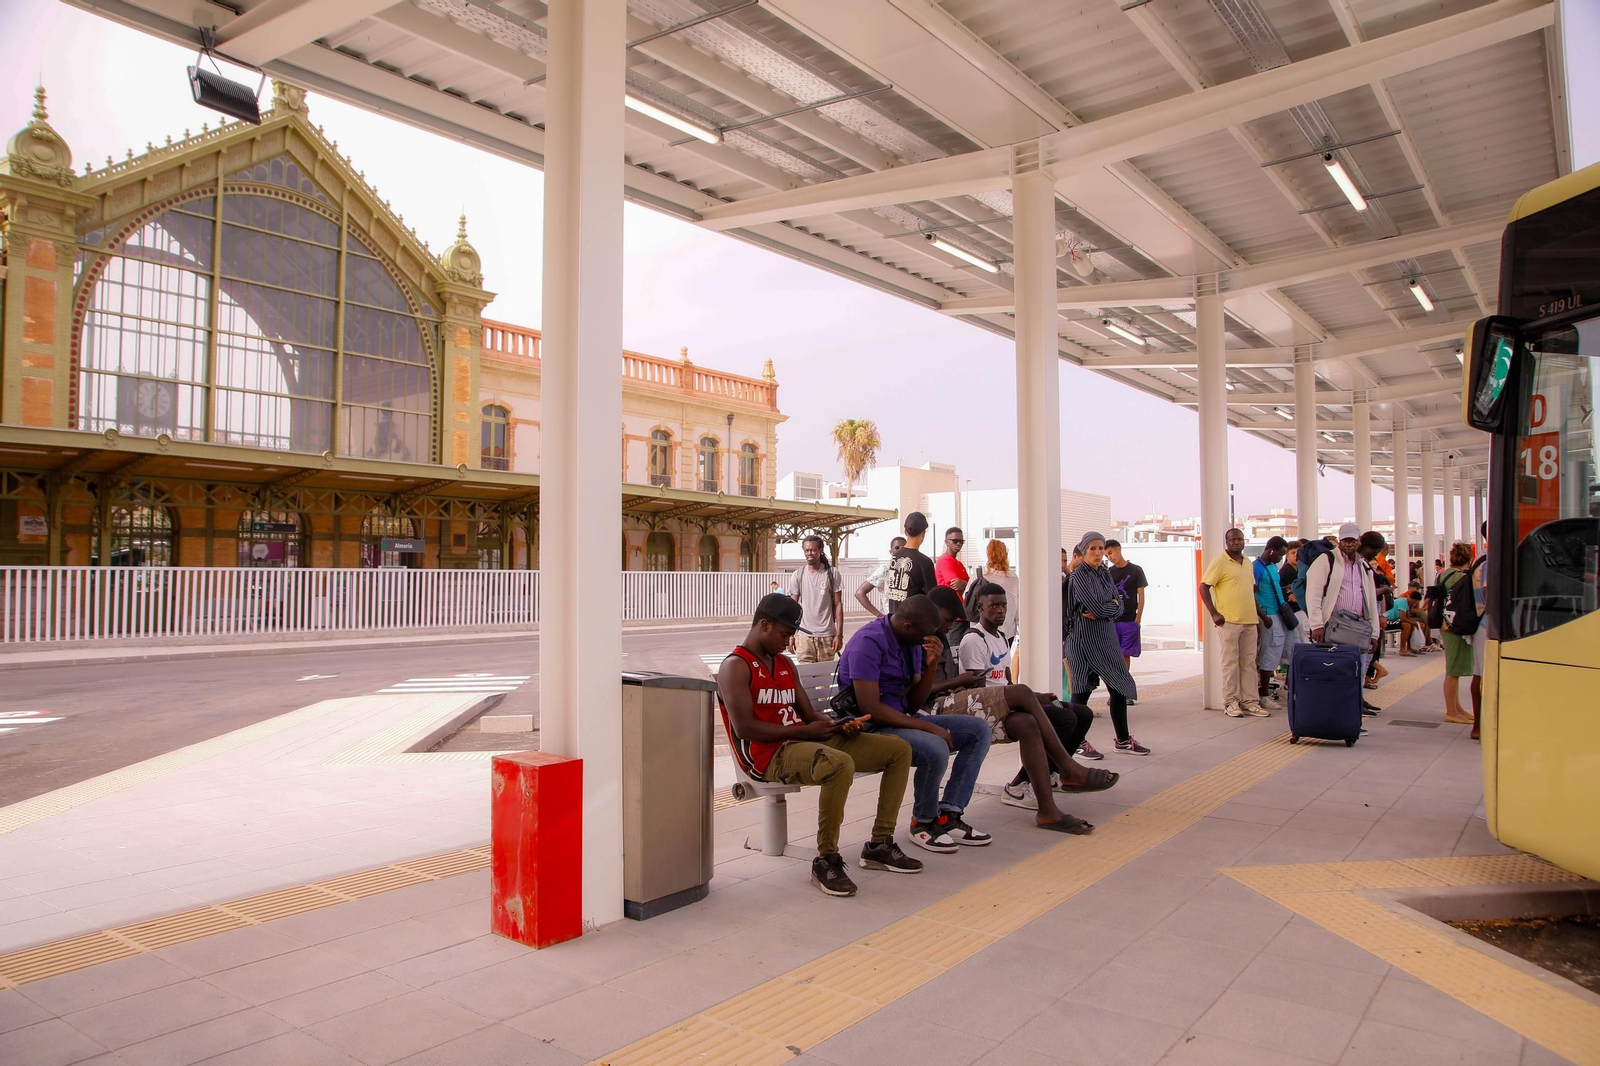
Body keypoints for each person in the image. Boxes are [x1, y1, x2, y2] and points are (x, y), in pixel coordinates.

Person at [716, 593, 921, 897]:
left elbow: (808, 714)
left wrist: (837, 725)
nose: (788, 643)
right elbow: (745, 728)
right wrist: (806, 732)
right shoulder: (736, 666)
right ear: (764, 625)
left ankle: (879, 844)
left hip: (802, 741)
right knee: (839, 765)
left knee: (898, 750)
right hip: (769, 755)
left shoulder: (784, 664)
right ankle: (826, 860)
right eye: (785, 634)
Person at [924, 587, 1114, 834]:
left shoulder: (945, 639)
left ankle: (1047, 810)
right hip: (934, 712)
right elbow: (917, 691)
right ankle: (1069, 769)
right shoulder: (930, 640)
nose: (951, 627)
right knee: (1031, 698)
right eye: (948, 620)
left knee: (1027, 722)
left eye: (1004, 605)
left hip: (960, 701)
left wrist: (956, 683)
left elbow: (999, 681)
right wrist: (958, 682)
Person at [837, 594, 994, 853]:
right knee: (934, 747)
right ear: (908, 626)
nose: (927, 640)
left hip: (901, 719)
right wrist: (930, 727)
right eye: (923, 634)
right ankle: (923, 822)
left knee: (978, 730)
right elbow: (871, 710)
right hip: (869, 727)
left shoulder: (910, 641)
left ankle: (949, 815)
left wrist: (930, 665)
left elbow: (911, 704)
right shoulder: (869, 642)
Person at [1066, 532, 1148, 753]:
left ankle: (1123, 739)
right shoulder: (1078, 576)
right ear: (1083, 550)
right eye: (1092, 548)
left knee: (1119, 687)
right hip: (1083, 642)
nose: (1098, 552)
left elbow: (1118, 605)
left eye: (1101, 548)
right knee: (1082, 691)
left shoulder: (1103, 572)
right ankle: (1076, 742)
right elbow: (1101, 607)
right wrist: (1109, 607)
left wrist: (1109, 607)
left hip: (1106, 638)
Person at [1305, 523, 1382, 717]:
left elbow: (1370, 598)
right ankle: (1333, 711)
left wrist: (1374, 632)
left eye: (1353, 541)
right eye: (1345, 540)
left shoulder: (1363, 565)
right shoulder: (1326, 560)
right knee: (1334, 669)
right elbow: (1313, 593)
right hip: (1333, 626)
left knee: (1358, 668)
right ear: (1340, 541)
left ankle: (1353, 707)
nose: (1349, 544)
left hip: (1358, 627)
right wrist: (1317, 624)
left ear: (1359, 542)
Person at [1200, 527, 1269, 718]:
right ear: (1227, 542)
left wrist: (1260, 617)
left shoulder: (1247, 562)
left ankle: (1250, 702)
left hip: (1249, 621)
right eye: (1233, 540)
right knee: (1230, 663)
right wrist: (1214, 613)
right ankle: (1231, 702)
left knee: (1248, 663)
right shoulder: (1220, 562)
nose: (1237, 542)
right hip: (1229, 621)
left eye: (1239, 539)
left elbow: (1249, 592)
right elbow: (1204, 587)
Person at [1436, 542, 1477, 725]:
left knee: (1454, 669)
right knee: (1453, 670)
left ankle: (1457, 708)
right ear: (1469, 558)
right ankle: (1451, 711)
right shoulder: (1462, 577)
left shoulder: (1444, 574)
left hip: (1446, 623)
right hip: (1455, 626)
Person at [786, 535, 845, 663]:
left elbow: (838, 605)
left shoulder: (832, 573)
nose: (809, 553)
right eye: (806, 550)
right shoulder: (798, 575)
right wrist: (790, 635)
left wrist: (839, 635)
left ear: (820, 550)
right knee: (805, 680)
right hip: (803, 637)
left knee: (823, 679)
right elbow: (792, 606)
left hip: (827, 635)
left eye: (812, 550)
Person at [1253, 537, 1290, 707]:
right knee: (1268, 653)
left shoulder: (1273, 567)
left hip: (1279, 612)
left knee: (1281, 651)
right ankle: (1264, 694)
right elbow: (1252, 593)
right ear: (1272, 551)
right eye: (1280, 554)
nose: (1281, 558)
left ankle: (1283, 688)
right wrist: (1263, 616)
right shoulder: (1257, 568)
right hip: (1268, 615)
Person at [1105, 540, 1148, 670]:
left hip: (1129, 619)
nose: (1110, 557)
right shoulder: (1108, 572)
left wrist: (1138, 619)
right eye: (1106, 555)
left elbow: (1141, 596)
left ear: (1119, 549)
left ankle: (1125, 682)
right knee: (1113, 654)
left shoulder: (1136, 570)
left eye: (1111, 553)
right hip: (1112, 620)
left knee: (1126, 654)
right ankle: (1117, 682)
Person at [884, 512, 936, 610]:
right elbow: (932, 597)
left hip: (894, 619)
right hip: (913, 621)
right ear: (923, 533)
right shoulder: (924, 562)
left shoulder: (895, 557)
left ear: (905, 532)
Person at [971, 539, 1020, 640]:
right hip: (1006, 630)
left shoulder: (979, 574)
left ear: (988, 554)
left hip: (981, 629)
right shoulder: (1013, 578)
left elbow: (967, 598)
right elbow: (1019, 608)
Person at [855, 536, 907, 617]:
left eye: (904, 548)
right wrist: (879, 615)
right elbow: (859, 593)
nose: (900, 550)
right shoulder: (885, 570)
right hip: (891, 622)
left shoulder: (912, 569)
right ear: (891, 552)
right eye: (897, 548)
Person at [1470, 521, 1488, 740]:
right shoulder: (1491, 561)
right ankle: (1480, 725)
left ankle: (1478, 725)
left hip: (1480, 624)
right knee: (1486, 676)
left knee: (1479, 674)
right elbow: (1490, 594)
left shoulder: (1480, 557)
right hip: (1489, 624)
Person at [935, 526, 969, 594]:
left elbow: (970, 584)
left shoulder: (959, 563)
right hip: (947, 602)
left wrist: (964, 583)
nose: (958, 543)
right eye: (955, 541)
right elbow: (956, 586)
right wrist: (965, 584)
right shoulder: (945, 560)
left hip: (959, 602)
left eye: (961, 541)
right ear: (946, 542)